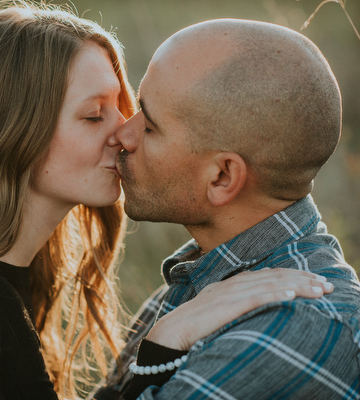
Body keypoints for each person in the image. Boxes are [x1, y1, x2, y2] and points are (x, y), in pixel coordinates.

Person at [0, 4, 334, 399]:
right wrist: (162, 344)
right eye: (93, 114)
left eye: (126, 110)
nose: (124, 134)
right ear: (12, 135)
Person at [92, 18, 360, 400]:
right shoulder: (203, 285)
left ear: (221, 177)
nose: (122, 134)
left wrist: (158, 351)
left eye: (150, 127)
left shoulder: (293, 330)